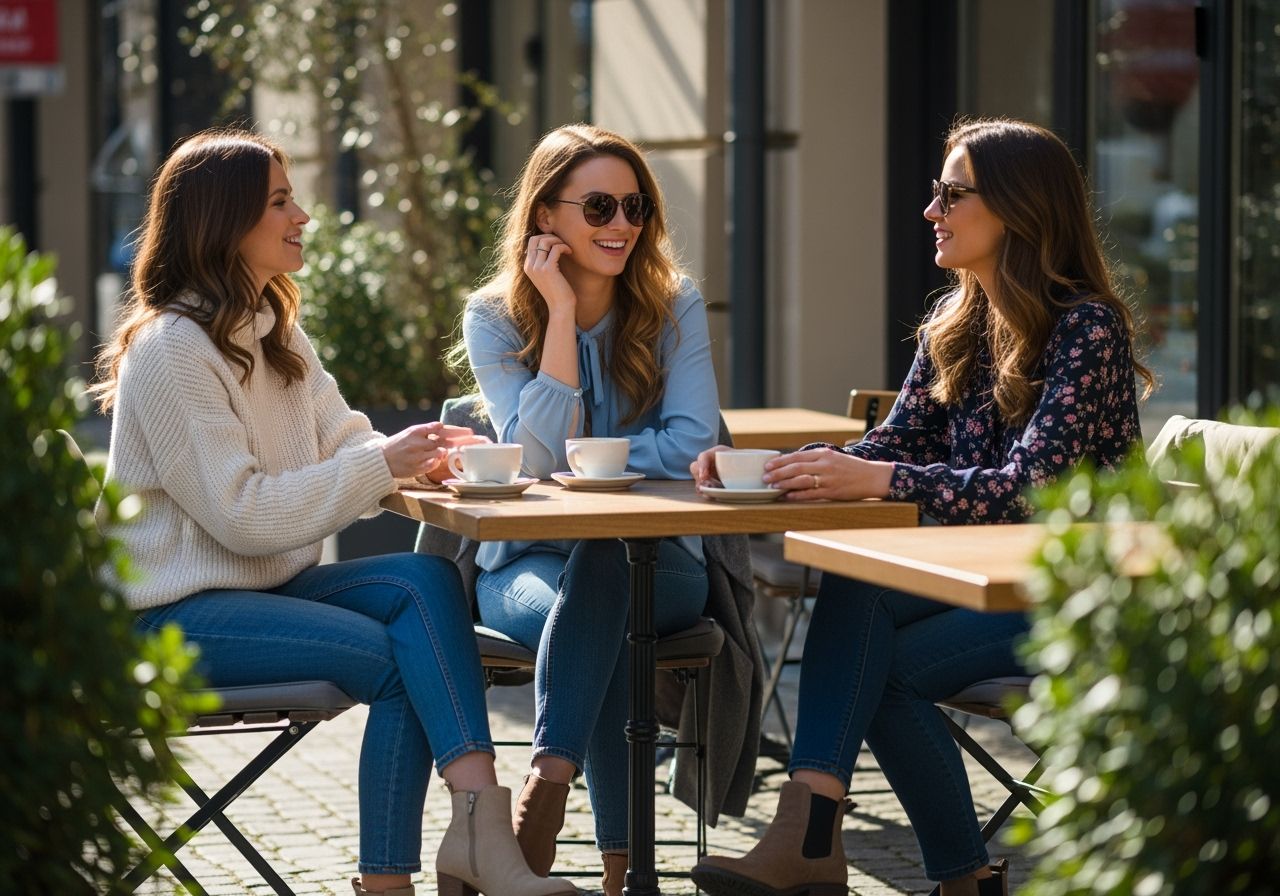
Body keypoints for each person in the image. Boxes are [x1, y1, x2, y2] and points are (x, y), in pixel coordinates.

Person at [91, 128, 575, 896]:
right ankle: (392, 882)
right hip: (167, 617)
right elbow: (242, 514)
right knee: (400, 657)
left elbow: (346, 439)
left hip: (261, 589)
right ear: (225, 221)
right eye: (280, 202)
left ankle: (478, 828)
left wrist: (419, 457)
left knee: (427, 582)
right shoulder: (171, 348)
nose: (303, 216)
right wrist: (381, 464)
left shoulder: (274, 328)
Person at [689, 117, 1155, 896]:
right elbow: (892, 446)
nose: (931, 210)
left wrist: (886, 481)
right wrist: (776, 468)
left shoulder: (1087, 329)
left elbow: (1031, 491)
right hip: (979, 585)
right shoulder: (957, 322)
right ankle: (850, 846)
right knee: (862, 598)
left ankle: (857, 851)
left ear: (1019, 207)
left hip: (1077, 598)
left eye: (952, 194)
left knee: (872, 650)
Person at [455, 123, 720, 895]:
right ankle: (622, 875)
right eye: (599, 207)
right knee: (602, 627)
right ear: (546, 216)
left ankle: (548, 780)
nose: (622, 225)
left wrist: (591, 464)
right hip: (527, 567)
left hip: (662, 564)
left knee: (610, 566)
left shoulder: (674, 305)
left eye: (636, 207)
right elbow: (533, 458)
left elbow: (694, 440)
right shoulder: (495, 316)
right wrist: (562, 315)